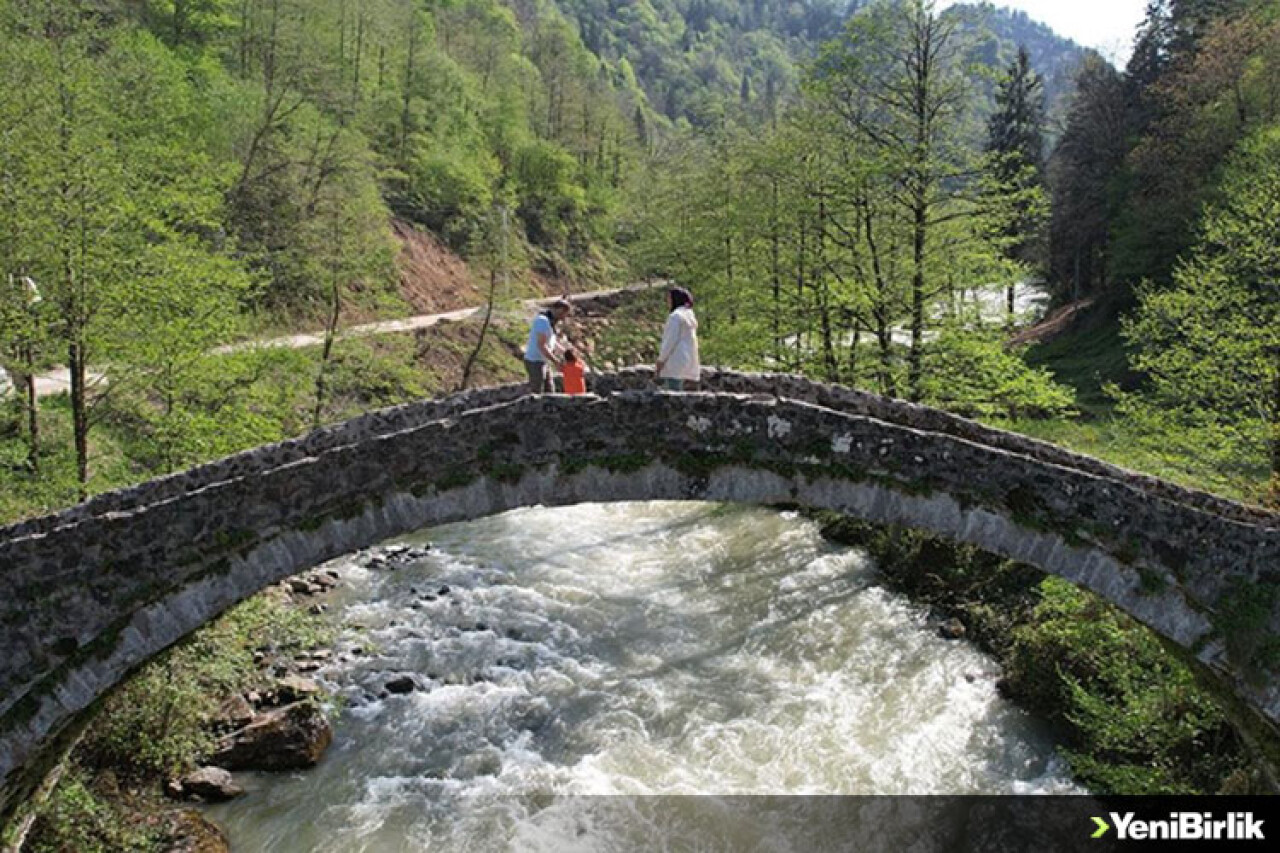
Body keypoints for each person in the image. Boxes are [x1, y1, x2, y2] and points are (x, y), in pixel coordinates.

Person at [655, 287, 700, 391]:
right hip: (689, 359)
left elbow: (669, 341)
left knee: (673, 392)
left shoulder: (675, 317)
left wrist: (661, 360)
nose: (668, 301)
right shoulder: (689, 315)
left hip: (675, 359)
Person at [524, 298, 571, 393]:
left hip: (544, 361)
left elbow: (551, 341)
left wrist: (566, 352)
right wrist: (556, 361)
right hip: (535, 361)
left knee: (550, 390)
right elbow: (542, 345)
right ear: (555, 309)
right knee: (537, 391)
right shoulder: (542, 321)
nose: (562, 317)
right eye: (561, 313)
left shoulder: (551, 322)